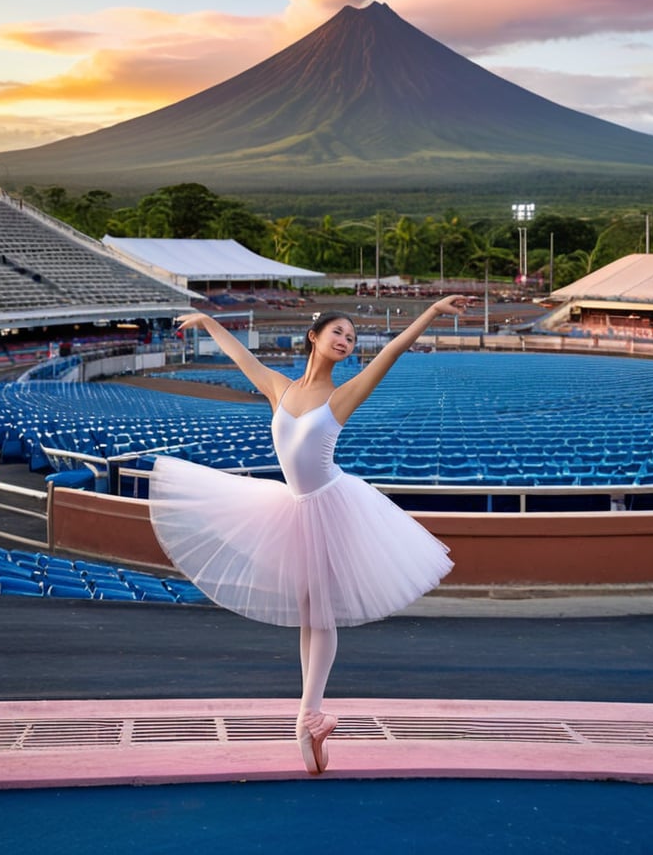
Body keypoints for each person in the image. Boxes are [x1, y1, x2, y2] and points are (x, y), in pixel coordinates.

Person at [149, 296, 468, 774]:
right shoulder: (279, 388)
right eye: (338, 332)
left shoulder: (342, 397)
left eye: (352, 338)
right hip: (291, 507)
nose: (346, 341)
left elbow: (394, 350)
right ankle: (309, 716)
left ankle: (308, 715)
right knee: (308, 612)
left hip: (331, 506)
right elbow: (242, 357)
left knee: (321, 615)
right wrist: (208, 321)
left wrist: (434, 312)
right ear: (315, 336)